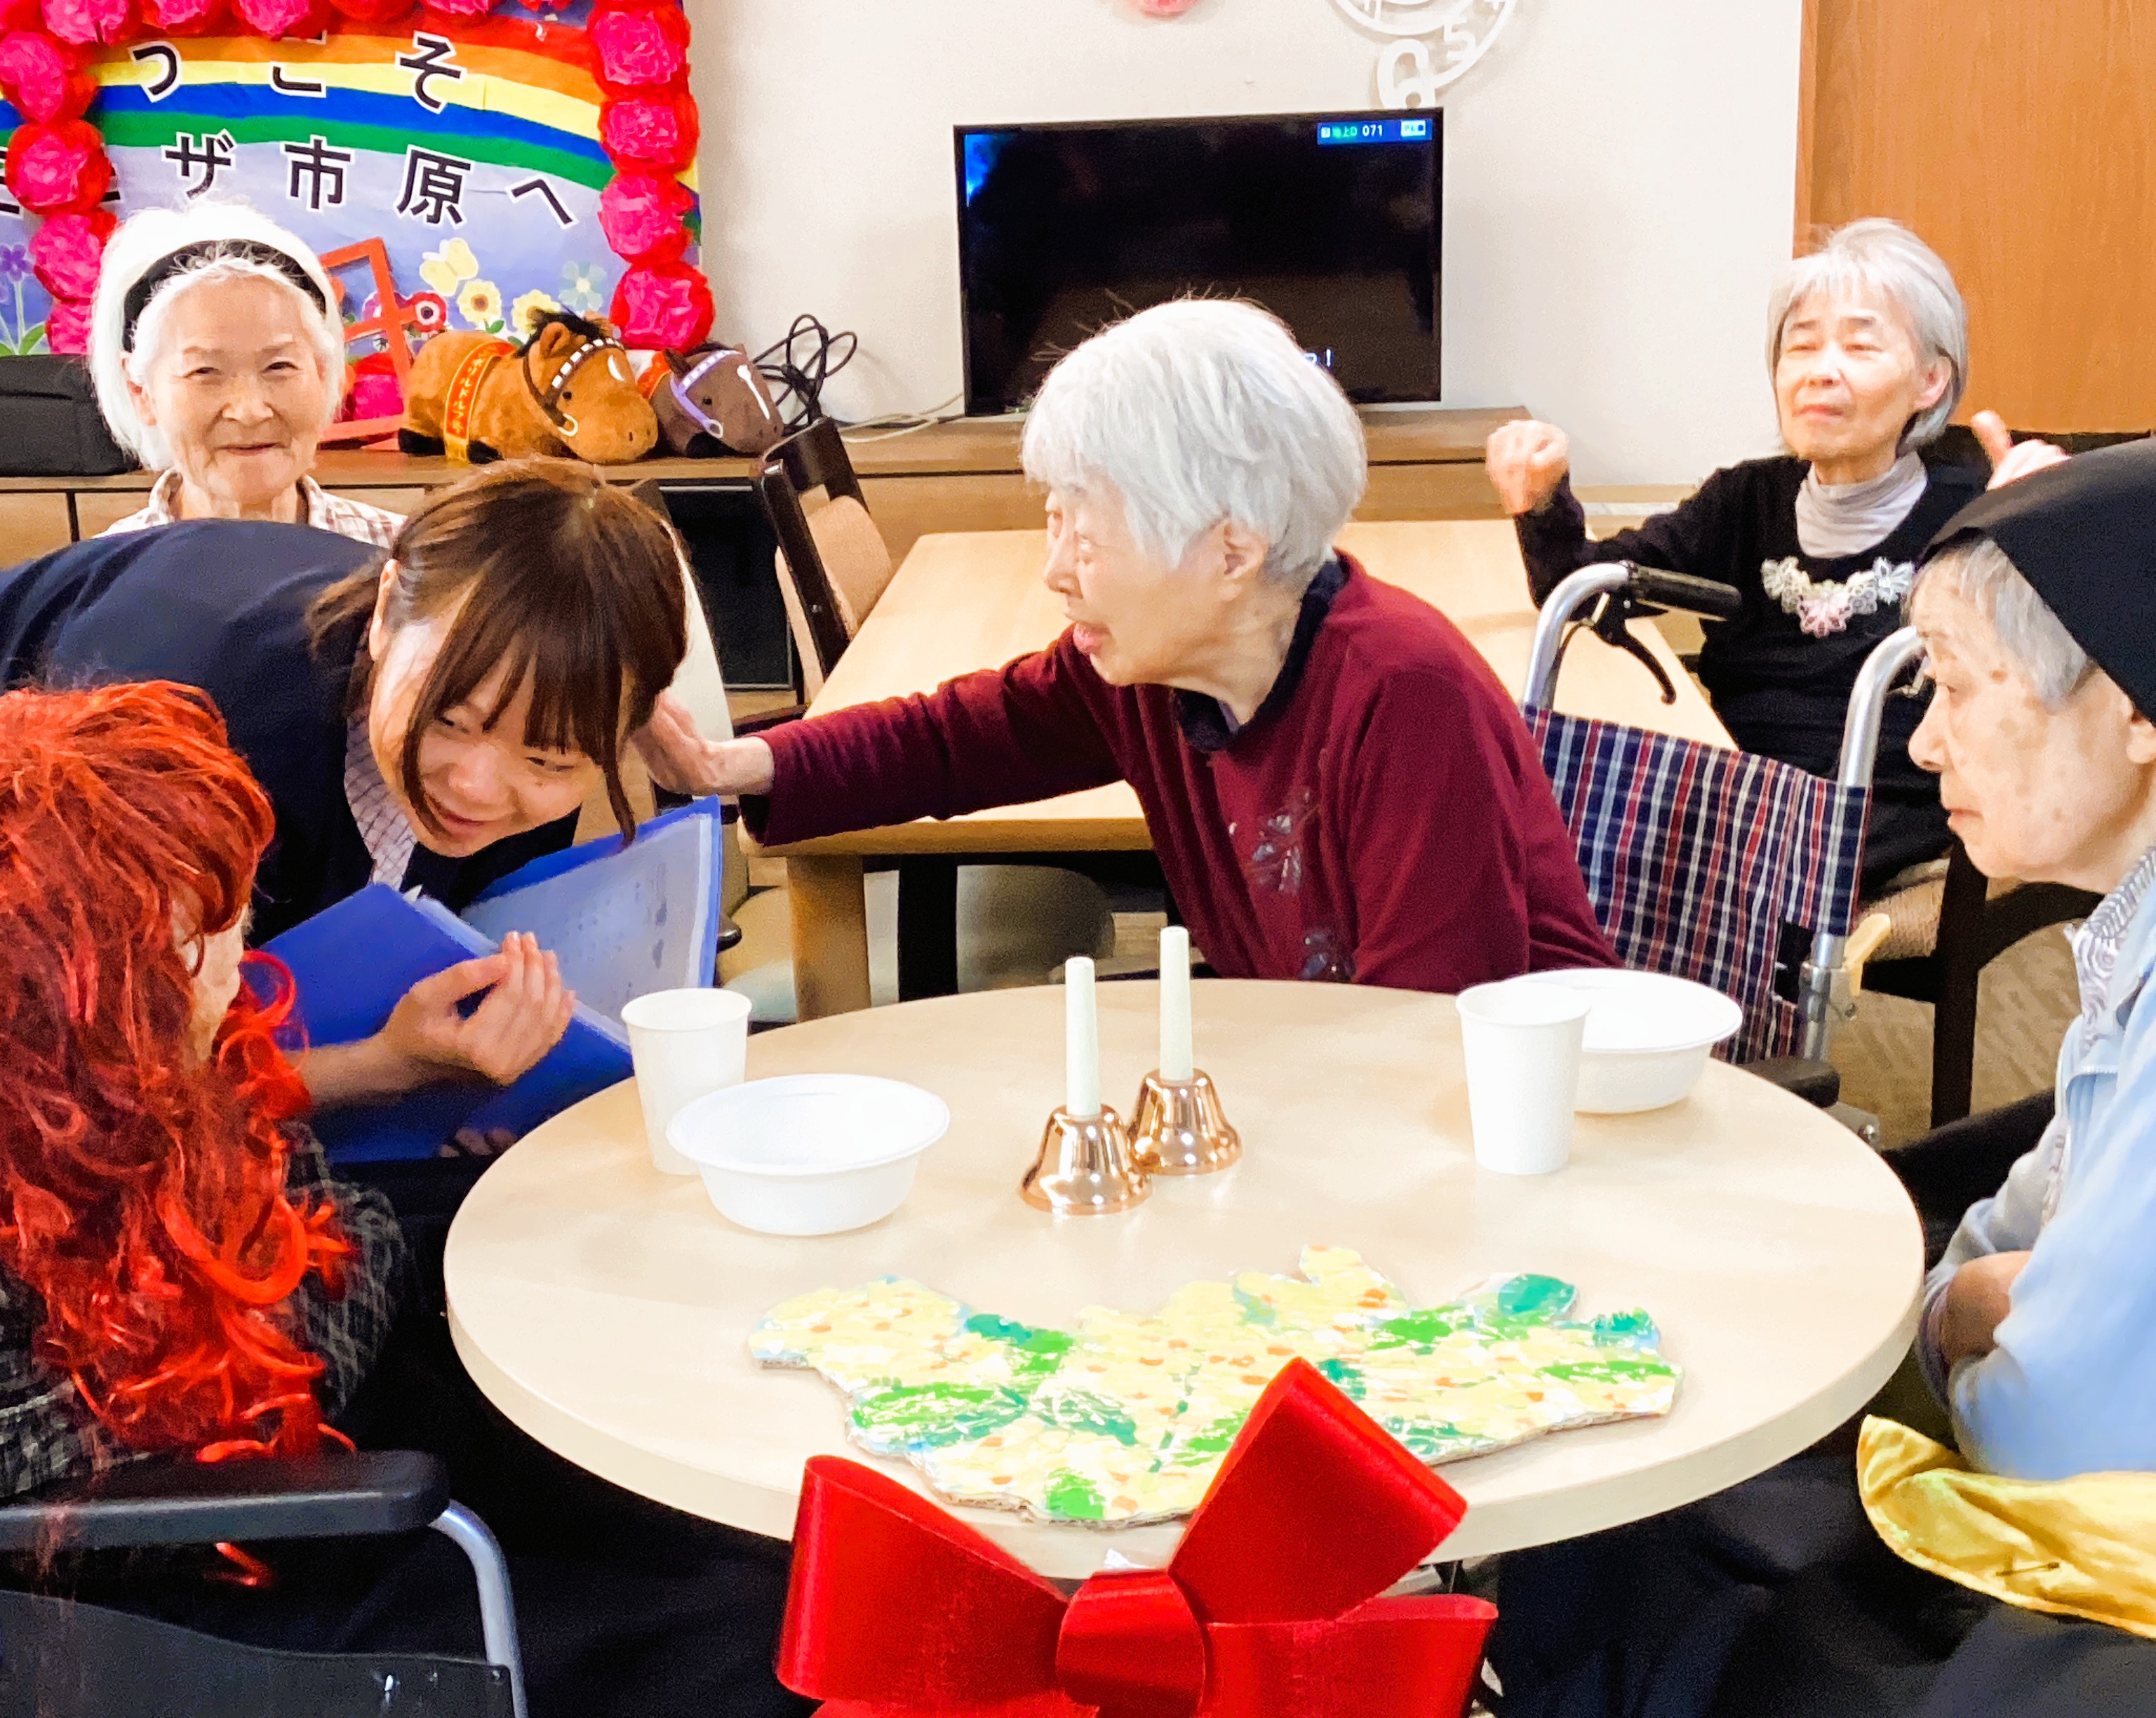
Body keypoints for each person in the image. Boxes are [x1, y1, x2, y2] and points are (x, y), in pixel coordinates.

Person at [0, 682, 805, 1717]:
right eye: (192, 940)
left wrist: (307, 1279)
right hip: (168, 1575)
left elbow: (319, 1231)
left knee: (745, 1527)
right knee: (752, 1640)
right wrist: (300, 1295)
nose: (237, 955)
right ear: (55, 992)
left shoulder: (149, 1059)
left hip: (300, 1427)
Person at [1485, 441, 2156, 1718]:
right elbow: (2018, 1224)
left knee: (1653, 1537)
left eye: (1956, 686)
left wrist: (1956, 1322)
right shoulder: (2126, 934)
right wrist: (1969, 1302)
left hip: (2086, 1591)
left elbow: (2053, 1421)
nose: (1924, 739)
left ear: (2130, 707)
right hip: (2053, 1484)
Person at [638, 299, 1612, 994]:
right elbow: (951, 739)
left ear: (1232, 551)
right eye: (1053, 521)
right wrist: (733, 765)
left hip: (1511, 1141)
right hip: (1327, 1084)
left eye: (1087, 533)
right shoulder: (1149, 668)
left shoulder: (1403, 696)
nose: (1055, 571)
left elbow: (1428, 1036)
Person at [0, 460, 685, 1178]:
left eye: (548, 762)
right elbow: (98, 1097)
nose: (477, 786)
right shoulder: (189, 735)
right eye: (449, 720)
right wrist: (383, 1070)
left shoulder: (520, 714)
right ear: (386, 611)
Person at [1485, 218, 1982, 891]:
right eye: (1800, 347)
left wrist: (2040, 531)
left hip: (1884, 812)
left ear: (1930, 381)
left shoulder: (1977, 511)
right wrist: (1542, 500)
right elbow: (1583, 589)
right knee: (1538, 826)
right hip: (1742, 795)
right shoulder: (1745, 500)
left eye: (1860, 347)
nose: (1821, 373)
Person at [88, 201, 403, 545]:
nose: (249, 412)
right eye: (204, 371)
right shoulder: (102, 572)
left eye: (279, 366)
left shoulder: (404, 556)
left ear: (322, 372)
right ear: (140, 390)